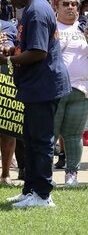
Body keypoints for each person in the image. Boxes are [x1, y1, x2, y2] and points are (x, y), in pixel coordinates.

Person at [0, 0, 70, 208]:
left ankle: (42, 194)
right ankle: (30, 190)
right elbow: (29, 45)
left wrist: (10, 61)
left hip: (44, 84)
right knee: (30, 139)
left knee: (40, 141)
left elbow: (39, 52)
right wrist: (13, 51)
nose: (8, 1)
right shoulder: (31, 8)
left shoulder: (37, 12)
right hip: (36, 85)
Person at [54, 0, 88, 187]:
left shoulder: (87, 28)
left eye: (74, 4)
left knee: (74, 134)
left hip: (83, 89)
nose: (70, 8)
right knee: (50, 133)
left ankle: (72, 175)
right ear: (56, 8)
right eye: (65, 4)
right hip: (55, 89)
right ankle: (43, 174)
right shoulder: (50, 27)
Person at [0, 19, 18, 186]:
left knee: (7, 129)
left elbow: (8, 47)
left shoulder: (6, 26)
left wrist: (6, 47)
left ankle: (5, 173)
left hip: (4, 81)